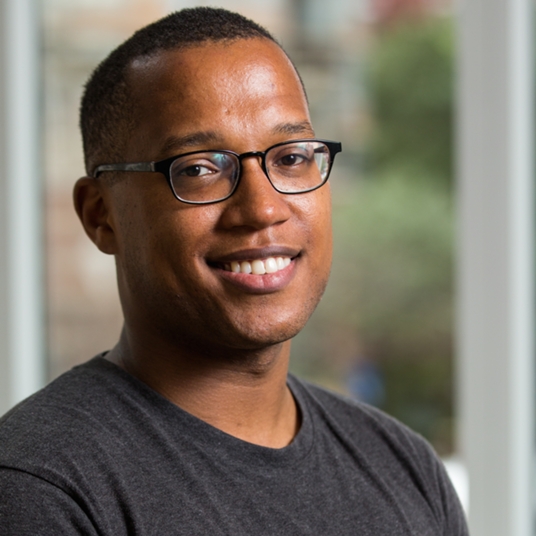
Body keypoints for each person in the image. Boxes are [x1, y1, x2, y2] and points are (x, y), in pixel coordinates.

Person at [0, 7, 468, 535]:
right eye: (199, 168)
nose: (263, 209)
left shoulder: (405, 469)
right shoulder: (41, 489)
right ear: (99, 215)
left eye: (291, 157)